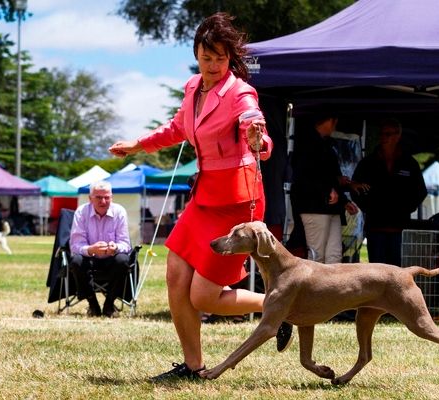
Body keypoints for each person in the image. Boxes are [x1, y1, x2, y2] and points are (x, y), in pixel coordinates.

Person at [108, 12, 291, 381]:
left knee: (204, 297)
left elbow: (255, 126)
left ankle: (280, 306)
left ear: (230, 58)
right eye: (207, 58)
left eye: (221, 58)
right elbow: (178, 128)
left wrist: (258, 138)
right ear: (196, 54)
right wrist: (137, 145)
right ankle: (193, 367)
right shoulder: (193, 87)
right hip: (204, 198)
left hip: (236, 203)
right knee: (175, 277)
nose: (213, 66)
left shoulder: (240, 92)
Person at [352, 118, 427, 266]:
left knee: (397, 270)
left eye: (388, 134)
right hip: (375, 226)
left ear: (398, 136)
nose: (383, 137)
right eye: (381, 134)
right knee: (377, 270)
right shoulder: (368, 163)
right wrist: (370, 208)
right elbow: (355, 188)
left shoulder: (409, 163)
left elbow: (420, 191)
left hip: (400, 227)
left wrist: (405, 208)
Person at [290, 111, 359, 264]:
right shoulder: (307, 144)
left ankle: (332, 282)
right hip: (313, 207)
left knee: (334, 255)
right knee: (316, 255)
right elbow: (304, 176)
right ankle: (313, 282)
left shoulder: (326, 144)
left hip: (331, 208)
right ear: (328, 121)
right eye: (334, 121)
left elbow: (332, 176)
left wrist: (343, 201)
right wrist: (328, 189)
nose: (335, 126)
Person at [69, 181, 131, 318]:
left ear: (112, 197)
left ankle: (109, 304)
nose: (103, 201)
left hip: (112, 259)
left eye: (107, 197)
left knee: (123, 260)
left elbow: (126, 244)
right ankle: (93, 304)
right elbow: (75, 246)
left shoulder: (119, 211)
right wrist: (91, 249)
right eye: (98, 197)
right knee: (76, 260)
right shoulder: (81, 212)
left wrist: (116, 247)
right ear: (90, 198)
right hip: (89, 259)